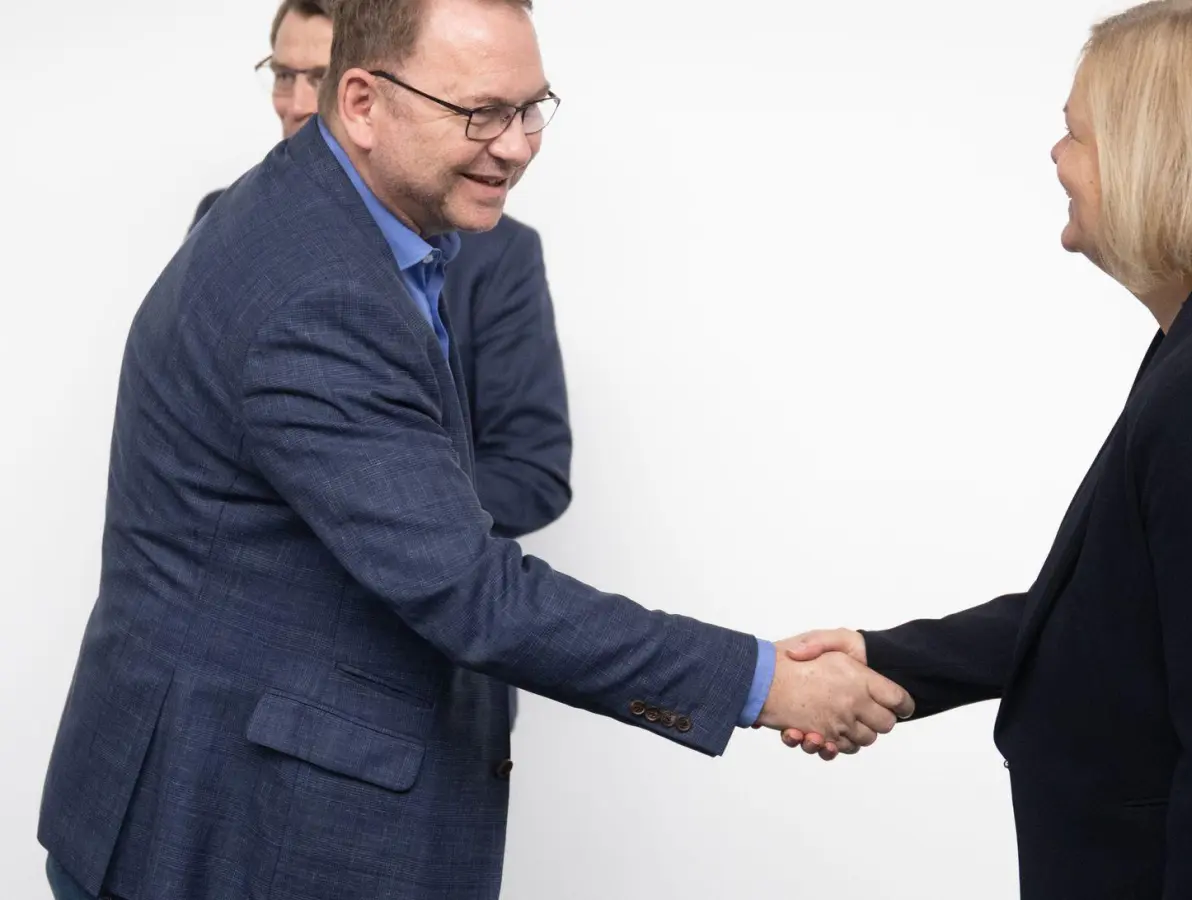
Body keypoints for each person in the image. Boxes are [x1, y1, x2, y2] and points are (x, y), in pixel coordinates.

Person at [36, 2, 913, 898]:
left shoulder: (346, 220)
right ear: (366, 103)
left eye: (532, 108)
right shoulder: (317, 295)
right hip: (223, 827)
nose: (519, 143)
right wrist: (764, 683)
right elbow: (473, 596)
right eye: (480, 113)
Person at [778, 2, 1192, 897]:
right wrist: (885, 655)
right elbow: (1122, 606)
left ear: (1163, 153)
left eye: (1076, 134)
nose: (1056, 158)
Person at [194, 0, 572, 539]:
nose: (302, 104)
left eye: (321, 77)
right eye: (284, 75)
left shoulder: (495, 251)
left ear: (362, 100)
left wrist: (398, 500)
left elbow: (533, 472)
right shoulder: (232, 228)